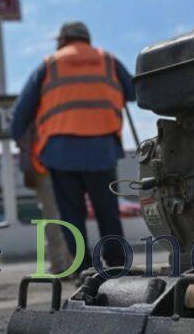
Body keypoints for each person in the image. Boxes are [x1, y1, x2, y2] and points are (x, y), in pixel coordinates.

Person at [10, 21, 136, 274]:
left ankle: (82, 269)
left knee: (71, 214)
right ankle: (116, 265)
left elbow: (20, 113)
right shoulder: (108, 60)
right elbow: (133, 92)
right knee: (107, 211)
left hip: (61, 152)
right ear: (87, 39)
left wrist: (19, 137)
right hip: (102, 150)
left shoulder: (49, 65)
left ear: (62, 39)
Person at [16, 127, 73, 275]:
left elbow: (20, 135)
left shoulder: (32, 115)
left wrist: (27, 168)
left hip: (54, 169)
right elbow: (23, 138)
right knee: (62, 217)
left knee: (56, 218)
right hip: (55, 168)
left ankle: (64, 264)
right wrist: (27, 168)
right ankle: (65, 264)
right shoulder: (35, 115)